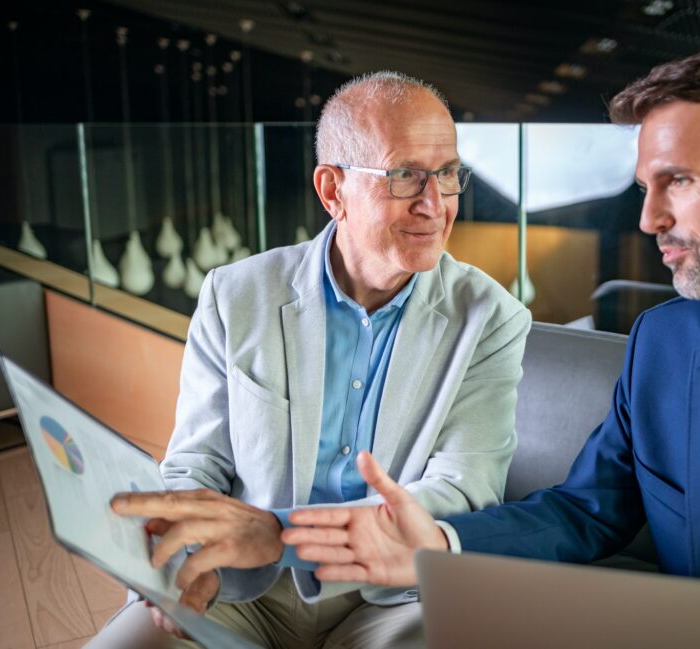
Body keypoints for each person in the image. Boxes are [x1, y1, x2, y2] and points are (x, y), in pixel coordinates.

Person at [282, 44, 700, 647]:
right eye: (645, 187)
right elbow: (587, 508)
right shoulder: (664, 343)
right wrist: (438, 543)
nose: (648, 218)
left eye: (680, 180)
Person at [90, 71, 530, 648]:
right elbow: (196, 463)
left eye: (447, 175)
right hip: (243, 585)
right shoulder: (235, 294)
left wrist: (283, 533)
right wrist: (176, 556)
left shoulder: (493, 318)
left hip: (394, 596)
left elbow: (464, 490)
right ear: (332, 191)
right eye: (405, 176)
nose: (435, 204)